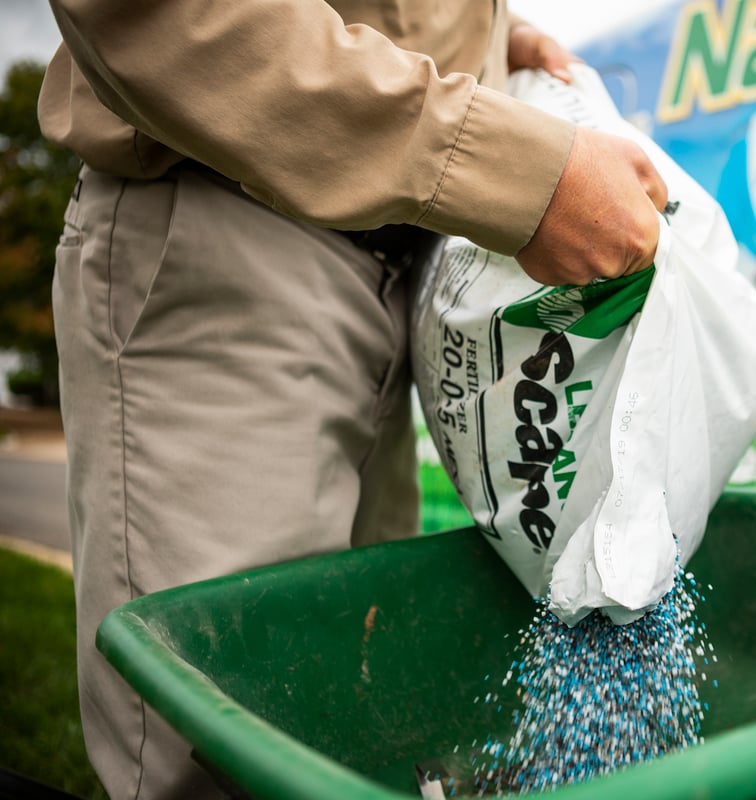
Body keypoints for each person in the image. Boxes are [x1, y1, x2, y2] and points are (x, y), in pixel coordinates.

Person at [37, 1, 669, 798]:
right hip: (230, 231)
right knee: (231, 742)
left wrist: (488, 39)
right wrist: (521, 173)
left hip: (399, 265)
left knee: (351, 721)